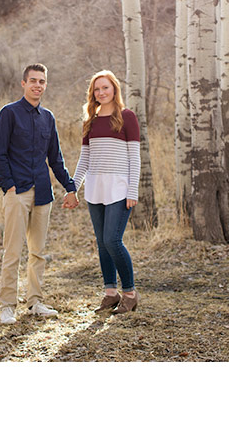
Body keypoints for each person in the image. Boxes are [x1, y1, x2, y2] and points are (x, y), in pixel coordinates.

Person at [0, 63, 77, 325]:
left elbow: (55, 158)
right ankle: (7, 305)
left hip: (43, 193)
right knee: (13, 251)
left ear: (45, 85)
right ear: (23, 83)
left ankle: (35, 302)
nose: (37, 85)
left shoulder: (48, 118)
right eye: (33, 81)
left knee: (38, 252)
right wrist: (9, 185)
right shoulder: (9, 113)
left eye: (41, 81)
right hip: (17, 192)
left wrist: (70, 186)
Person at [66, 71, 139, 314]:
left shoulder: (127, 117)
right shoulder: (91, 120)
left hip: (119, 189)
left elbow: (134, 158)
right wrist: (72, 188)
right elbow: (84, 159)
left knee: (112, 240)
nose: (101, 92)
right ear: (93, 93)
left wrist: (133, 190)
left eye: (105, 87)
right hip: (95, 189)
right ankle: (110, 293)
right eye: (97, 89)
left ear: (114, 89)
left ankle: (130, 293)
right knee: (101, 243)